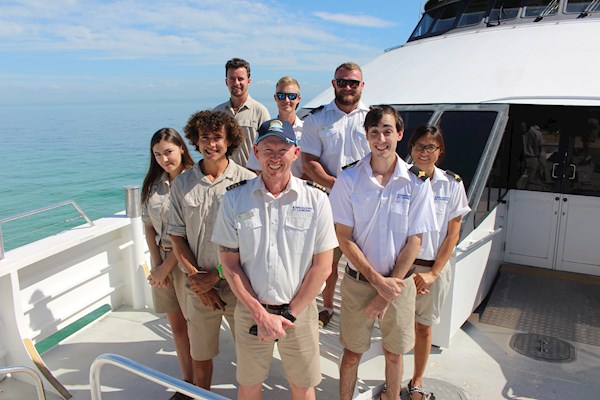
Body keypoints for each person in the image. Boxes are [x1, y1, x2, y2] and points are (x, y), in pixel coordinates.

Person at [212, 118, 338, 400]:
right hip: (250, 311)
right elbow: (229, 264)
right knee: (249, 384)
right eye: (268, 149)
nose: (275, 157)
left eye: (283, 149)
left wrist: (288, 314)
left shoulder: (317, 200)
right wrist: (260, 313)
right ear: (255, 152)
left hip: (300, 314)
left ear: (295, 152)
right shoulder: (235, 199)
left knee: (303, 386)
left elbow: (323, 267)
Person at [329, 106, 437, 400]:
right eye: (374, 132)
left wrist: (387, 291)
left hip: (399, 286)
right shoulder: (349, 179)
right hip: (358, 284)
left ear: (399, 134)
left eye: (387, 131)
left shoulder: (417, 181)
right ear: (366, 135)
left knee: (394, 354)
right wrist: (378, 282)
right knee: (352, 354)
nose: (381, 139)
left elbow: (415, 239)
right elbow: (344, 237)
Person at [168, 110, 256, 391]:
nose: (211, 144)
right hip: (197, 287)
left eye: (217, 137)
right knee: (201, 354)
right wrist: (198, 280)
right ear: (195, 140)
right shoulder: (182, 183)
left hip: (238, 284)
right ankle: (199, 396)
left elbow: (251, 241)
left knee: (248, 352)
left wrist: (216, 277)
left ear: (229, 139)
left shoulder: (247, 182)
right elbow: (177, 236)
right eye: (204, 137)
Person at [299, 61, 371, 328]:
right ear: (334, 84)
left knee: (367, 260)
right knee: (327, 263)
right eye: (342, 82)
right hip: (329, 204)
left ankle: (368, 312)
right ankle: (327, 307)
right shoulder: (317, 120)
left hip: (366, 205)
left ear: (362, 86)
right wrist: (337, 185)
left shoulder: (373, 119)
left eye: (353, 82)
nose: (348, 87)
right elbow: (309, 162)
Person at [407, 125, 470, 400]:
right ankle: (392, 376)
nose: (424, 152)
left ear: (440, 152)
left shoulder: (452, 184)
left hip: (433, 267)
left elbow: (452, 234)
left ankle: (417, 381)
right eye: (419, 146)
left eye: (430, 147)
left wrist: (433, 273)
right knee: (395, 328)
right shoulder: (399, 181)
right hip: (403, 268)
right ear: (410, 149)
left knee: (423, 327)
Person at [141, 127, 195, 400]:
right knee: (177, 327)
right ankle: (187, 382)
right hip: (162, 261)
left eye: (169, 152)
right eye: (158, 154)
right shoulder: (154, 185)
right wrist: (156, 264)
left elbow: (190, 233)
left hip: (186, 261)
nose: (164, 159)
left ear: (182, 148)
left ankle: (200, 383)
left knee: (195, 325)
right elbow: (148, 225)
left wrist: (167, 266)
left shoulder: (194, 181)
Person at [214, 57, 270, 168]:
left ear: (248, 81)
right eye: (232, 79)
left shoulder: (260, 111)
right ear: (226, 82)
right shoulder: (217, 112)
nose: (236, 83)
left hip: (251, 178)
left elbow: (268, 146)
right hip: (223, 178)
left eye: (240, 79)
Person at [247, 76, 304, 178]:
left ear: (298, 99)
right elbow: (255, 168)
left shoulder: (307, 131)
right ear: (275, 98)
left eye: (292, 96)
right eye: (281, 95)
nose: (286, 100)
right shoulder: (265, 131)